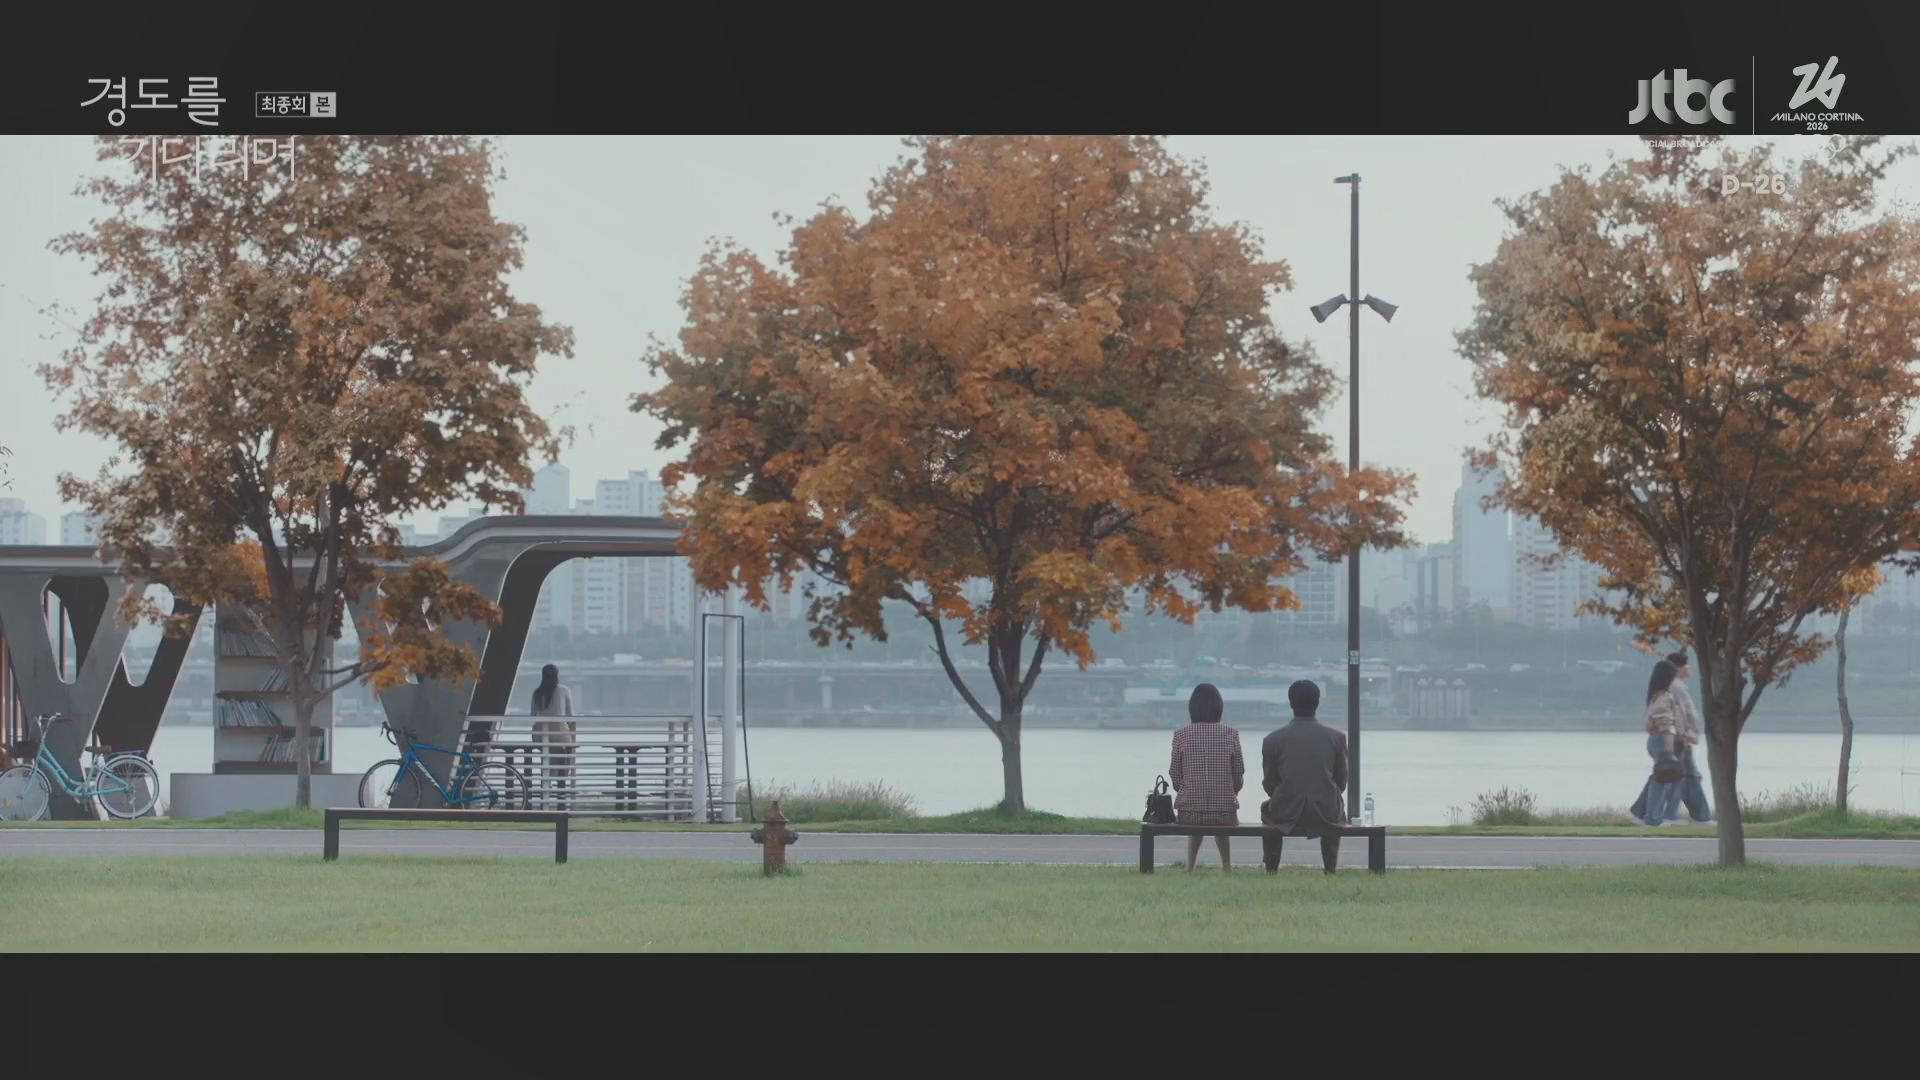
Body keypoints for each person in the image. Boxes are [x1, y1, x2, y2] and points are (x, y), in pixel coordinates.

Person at [1260, 680, 1349, 874]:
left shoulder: (1272, 740)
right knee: (1335, 807)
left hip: (1285, 811)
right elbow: (1341, 781)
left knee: (1267, 810)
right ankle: (1330, 869)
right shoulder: (1337, 738)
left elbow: (1269, 783)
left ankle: (1271, 869)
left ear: (1291, 703)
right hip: (1325, 811)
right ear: (1318, 703)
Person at [1168, 683, 1244, 872]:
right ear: (1219, 707)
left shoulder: (1181, 735)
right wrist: (1230, 792)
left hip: (1189, 814)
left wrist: (1188, 790)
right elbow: (1238, 774)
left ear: (1192, 708)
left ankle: (1190, 867)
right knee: (1220, 812)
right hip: (1225, 814)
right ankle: (1226, 867)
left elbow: (1175, 775)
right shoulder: (1232, 734)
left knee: (1197, 812)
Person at [1630, 651, 1713, 825]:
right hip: (1670, 739)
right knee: (1668, 777)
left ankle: (1661, 815)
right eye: (1685, 665)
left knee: (1670, 777)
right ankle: (1659, 817)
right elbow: (1669, 719)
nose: (1688, 668)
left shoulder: (1662, 693)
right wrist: (1679, 737)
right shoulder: (1669, 693)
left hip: (1673, 738)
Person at [1640, 659, 1688, 826]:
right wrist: (1669, 746)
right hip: (1662, 740)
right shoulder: (1664, 697)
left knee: (1665, 778)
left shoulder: (1654, 696)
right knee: (1662, 780)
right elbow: (1664, 721)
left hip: (1658, 740)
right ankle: (1653, 817)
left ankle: (1662, 815)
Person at [530, 664, 578, 809]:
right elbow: (571, 716)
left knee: (547, 758)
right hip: (559, 736)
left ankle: (544, 799)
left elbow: (533, 716)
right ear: (557, 675)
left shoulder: (536, 693)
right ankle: (561, 801)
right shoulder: (564, 690)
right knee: (565, 754)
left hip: (540, 736)